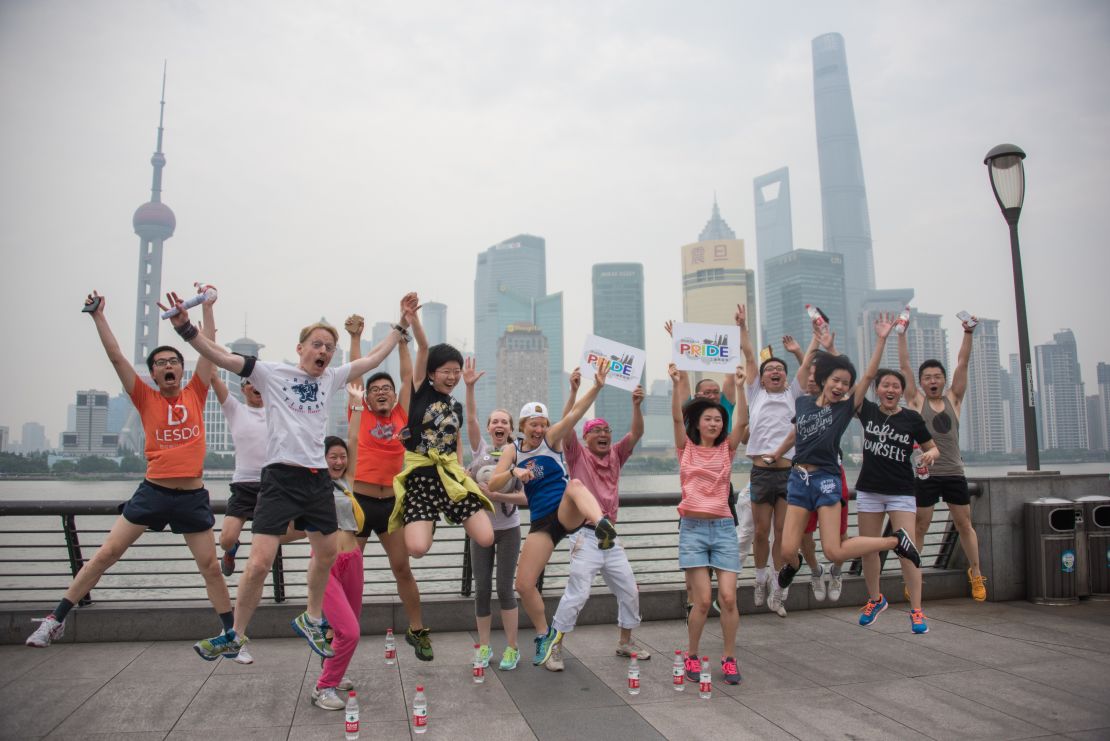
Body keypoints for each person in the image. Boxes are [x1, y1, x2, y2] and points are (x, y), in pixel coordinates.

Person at [166, 288, 417, 661]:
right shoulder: (270, 374)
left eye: (330, 347)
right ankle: (236, 633)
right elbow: (220, 355)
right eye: (317, 344)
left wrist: (401, 324)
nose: (324, 352)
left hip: (317, 478)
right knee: (259, 563)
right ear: (300, 348)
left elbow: (376, 357)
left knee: (328, 551)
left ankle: (312, 617)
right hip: (280, 477)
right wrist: (187, 329)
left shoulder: (331, 378)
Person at [27, 290, 232, 649]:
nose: (168, 366)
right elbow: (116, 357)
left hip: (192, 497)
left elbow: (209, 348)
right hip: (153, 492)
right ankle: (54, 619)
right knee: (106, 554)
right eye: (160, 363)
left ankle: (232, 635)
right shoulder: (144, 396)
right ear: (152, 374)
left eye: (173, 361)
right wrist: (98, 316)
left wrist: (209, 311)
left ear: (182, 369)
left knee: (211, 567)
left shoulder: (196, 392)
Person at [774, 316, 923, 596]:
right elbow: (805, 367)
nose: (841, 386)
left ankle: (895, 541)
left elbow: (867, 375)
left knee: (833, 550)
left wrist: (881, 339)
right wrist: (816, 341)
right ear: (823, 380)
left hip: (826, 478)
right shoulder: (803, 401)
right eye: (836, 380)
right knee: (786, 550)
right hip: (798, 478)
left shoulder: (843, 408)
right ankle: (793, 568)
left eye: (846, 382)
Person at [487, 361, 619, 672]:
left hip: (565, 511)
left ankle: (601, 524)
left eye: (542, 423)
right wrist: (513, 471)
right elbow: (493, 484)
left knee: (574, 483)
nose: (538, 429)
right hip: (541, 523)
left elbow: (573, 415)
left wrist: (596, 387)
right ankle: (546, 636)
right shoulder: (514, 450)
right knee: (523, 584)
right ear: (522, 425)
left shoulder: (552, 440)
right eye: (532, 424)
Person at [344, 312, 431, 661]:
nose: (381, 393)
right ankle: (341, 632)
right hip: (360, 502)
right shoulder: (358, 412)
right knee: (349, 571)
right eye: (375, 390)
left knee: (402, 567)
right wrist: (355, 337)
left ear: (395, 397)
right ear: (366, 397)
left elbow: (409, 377)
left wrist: (405, 337)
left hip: (393, 505)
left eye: (387, 390)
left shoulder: (401, 415)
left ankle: (417, 629)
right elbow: (355, 371)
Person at [549, 368, 649, 662]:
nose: (604, 435)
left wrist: (635, 406)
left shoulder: (617, 454)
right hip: (585, 536)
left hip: (611, 537)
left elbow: (638, 433)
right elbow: (567, 424)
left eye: (607, 431)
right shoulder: (576, 454)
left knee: (630, 590)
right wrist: (573, 393)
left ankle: (625, 642)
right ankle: (554, 646)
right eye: (597, 431)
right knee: (577, 595)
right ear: (585, 437)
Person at [670, 362, 747, 686]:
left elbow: (741, 422)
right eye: (708, 419)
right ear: (698, 423)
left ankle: (729, 659)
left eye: (718, 419)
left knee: (728, 597)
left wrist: (740, 387)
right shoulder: (685, 448)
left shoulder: (727, 451)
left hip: (724, 529)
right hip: (693, 531)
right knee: (701, 600)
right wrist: (678, 383)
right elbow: (676, 417)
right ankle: (691, 654)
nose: (714, 423)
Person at [900, 314, 987, 601]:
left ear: (944, 380)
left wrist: (968, 333)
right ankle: (915, 576)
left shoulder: (954, 399)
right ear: (922, 383)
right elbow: (904, 368)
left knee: (964, 524)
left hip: (953, 472)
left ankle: (975, 572)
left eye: (937, 376)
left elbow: (963, 362)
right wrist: (901, 334)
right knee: (921, 526)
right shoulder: (916, 401)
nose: (932, 380)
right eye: (928, 378)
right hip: (926, 475)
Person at [388, 326, 495, 559]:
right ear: (430, 373)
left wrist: (469, 386)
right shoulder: (419, 392)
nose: (452, 377)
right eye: (446, 371)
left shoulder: (455, 405)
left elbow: (457, 436)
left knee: (487, 537)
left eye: (456, 371)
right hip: (421, 479)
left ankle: (438, 513)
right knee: (417, 549)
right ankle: (427, 520)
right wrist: (412, 318)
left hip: (449, 477)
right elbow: (424, 347)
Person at [735, 305, 810, 617]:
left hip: (788, 473)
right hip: (761, 473)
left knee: (784, 534)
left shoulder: (794, 395)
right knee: (761, 532)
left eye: (779, 369)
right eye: (770, 370)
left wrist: (797, 351)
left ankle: (780, 591)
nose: (774, 372)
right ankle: (760, 579)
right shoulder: (756, 394)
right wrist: (743, 327)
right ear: (762, 378)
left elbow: (808, 369)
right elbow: (751, 357)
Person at [855, 369, 939, 633]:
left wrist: (930, 455)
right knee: (869, 550)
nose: (890, 390)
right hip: (869, 490)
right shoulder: (868, 411)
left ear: (901, 391)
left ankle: (916, 610)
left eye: (895, 386)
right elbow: (856, 388)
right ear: (876, 389)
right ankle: (875, 600)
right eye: (885, 385)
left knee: (908, 552)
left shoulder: (912, 418)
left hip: (901, 491)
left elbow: (932, 446)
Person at [463, 357, 528, 671]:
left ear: (511, 429)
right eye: (495, 422)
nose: (499, 426)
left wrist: (497, 494)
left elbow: (525, 497)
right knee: (482, 589)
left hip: (509, 528)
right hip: (480, 529)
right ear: (489, 429)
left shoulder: (517, 453)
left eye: (505, 422)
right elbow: (471, 417)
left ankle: (513, 648)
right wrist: (470, 387)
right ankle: (484, 646)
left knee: (505, 587)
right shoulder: (480, 452)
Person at [312, 389, 370, 710]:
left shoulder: (347, 480)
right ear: (320, 460)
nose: (338, 460)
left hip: (353, 560)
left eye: (341, 456)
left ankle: (333, 670)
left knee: (345, 626)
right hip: (326, 563)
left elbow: (355, 440)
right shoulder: (313, 485)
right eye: (331, 456)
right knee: (349, 630)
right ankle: (324, 687)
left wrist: (357, 406)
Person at [211, 372, 266, 586]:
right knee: (226, 539)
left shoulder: (277, 411)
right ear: (243, 388)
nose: (255, 386)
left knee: (281, 535)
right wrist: (207, 340)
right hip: (243, 485)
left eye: (259, 381)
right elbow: (214, 379)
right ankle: (231, 551)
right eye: (250, 382)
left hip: (271, 485)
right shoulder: (235, 410)